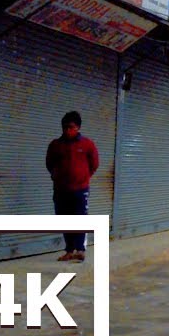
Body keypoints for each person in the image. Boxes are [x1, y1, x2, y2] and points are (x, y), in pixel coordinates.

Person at [45, 111, 99, 261]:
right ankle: (69, 250)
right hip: (61, 190)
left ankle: (80, 250)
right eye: (65, 127)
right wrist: (57, 177)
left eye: (71, 127)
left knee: (80, 218)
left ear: (78, 128)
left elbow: (94, 164)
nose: (67, 130)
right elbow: (49, 163)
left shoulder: (87, 144)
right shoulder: (56, 145)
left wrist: (83, 177)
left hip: (80, 189)